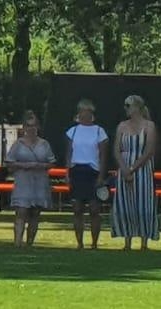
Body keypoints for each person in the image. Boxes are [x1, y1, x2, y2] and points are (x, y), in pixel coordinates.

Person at [111, 94, 159, 251]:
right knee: (126, 203)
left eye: (128, 105)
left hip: (143, 170)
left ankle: (144, 242)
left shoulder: (149, 126)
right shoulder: (121, 126)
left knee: (144, 203)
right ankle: (127, 241)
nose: (125, 108)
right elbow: (117, 150)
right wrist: (124, 169)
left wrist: (133, 168)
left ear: (137, 107)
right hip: (124, 169)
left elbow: (149, 150)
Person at [6, 113, 55, 247]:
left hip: (39, 181)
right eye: (28, 125)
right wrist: (23, 165)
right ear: (24, 127)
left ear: (38, 127)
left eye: (34, 125)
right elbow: (9, 162)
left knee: (35, 212)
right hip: (23, 181)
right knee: (21, 211)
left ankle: (30, 242)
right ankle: (17, 241)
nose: (31, 128)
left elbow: (52, 163)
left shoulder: (44, 144)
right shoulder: (18, 144)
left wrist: (39, 166)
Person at [65, 100, 108, 249]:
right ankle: (79, 242)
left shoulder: (99, 131)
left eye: (88, 111)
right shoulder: (72, 131)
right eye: (83, 111)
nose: (85, 114)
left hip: (93, 172)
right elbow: (69, 154)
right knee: (77, 208)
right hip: (77, 171)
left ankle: (94, 242)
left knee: (94, 209)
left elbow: (103, 155)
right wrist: (67, 173)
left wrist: (101, 176)